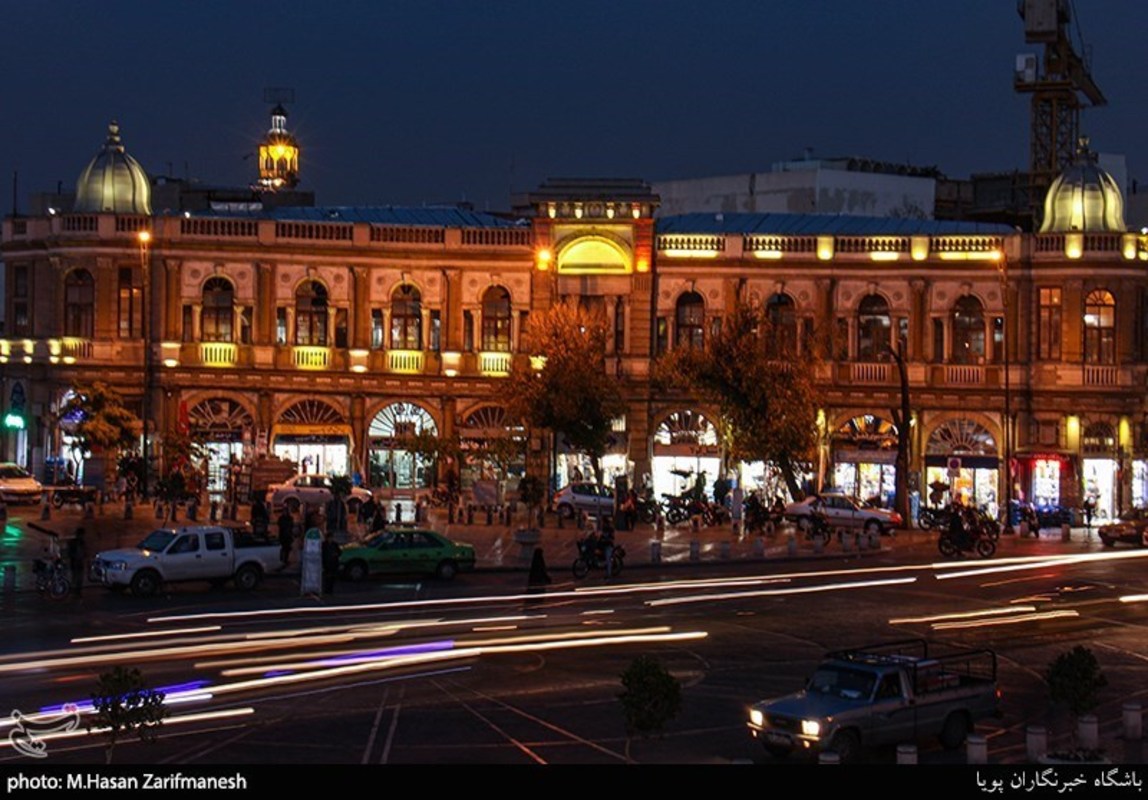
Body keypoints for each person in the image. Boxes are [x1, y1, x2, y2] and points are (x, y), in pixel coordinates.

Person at [66, 528, 87, 597]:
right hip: (76, 562)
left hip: (78, 562)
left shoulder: (81, 542)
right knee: (76, 577)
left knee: (78, 577)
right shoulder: (74, 543)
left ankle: (77, 591)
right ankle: (76, 591)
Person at [321, 531, 342, 595]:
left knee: (332, 577)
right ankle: (326, 590)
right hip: (326, 563)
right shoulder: (324, 545)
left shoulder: (335, 544)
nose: (330, 539)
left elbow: (339, 552)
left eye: (331, 538)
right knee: (327, 577)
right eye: (329, 538)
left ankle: (330, 590)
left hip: (334, 563)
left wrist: (336, 554)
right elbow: (322, 553)